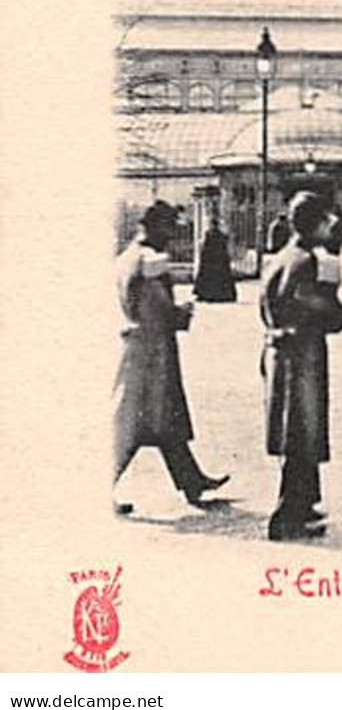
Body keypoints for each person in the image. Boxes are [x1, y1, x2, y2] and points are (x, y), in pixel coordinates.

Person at [112, 201, 230, 515]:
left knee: (165, 421)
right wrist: (182, 314)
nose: (172, 235)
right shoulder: (150, 260)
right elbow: (156, 308)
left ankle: (192, 481)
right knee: (132, 426)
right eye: (169, 228)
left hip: (142, 347)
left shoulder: (128, 256)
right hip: (150, 354)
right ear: (153, 227)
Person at [260, 192, 342, 540]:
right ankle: (287, 516)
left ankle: (307, 502)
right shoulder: (308, 263)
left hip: (279, 351)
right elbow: (318, 308)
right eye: (324, 220)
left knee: (296, 430)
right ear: (313, 223)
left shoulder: (281, 257)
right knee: (301, 431)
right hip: (302, 355)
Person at [192, 217, 237, 303]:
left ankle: (207, 294)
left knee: (208, 278)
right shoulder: (222, 235)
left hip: (210, 261)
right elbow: (225, 247)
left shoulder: (209, 234)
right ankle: (222, 295)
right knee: (221, 277)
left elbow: (205, 248)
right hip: (220, 261)